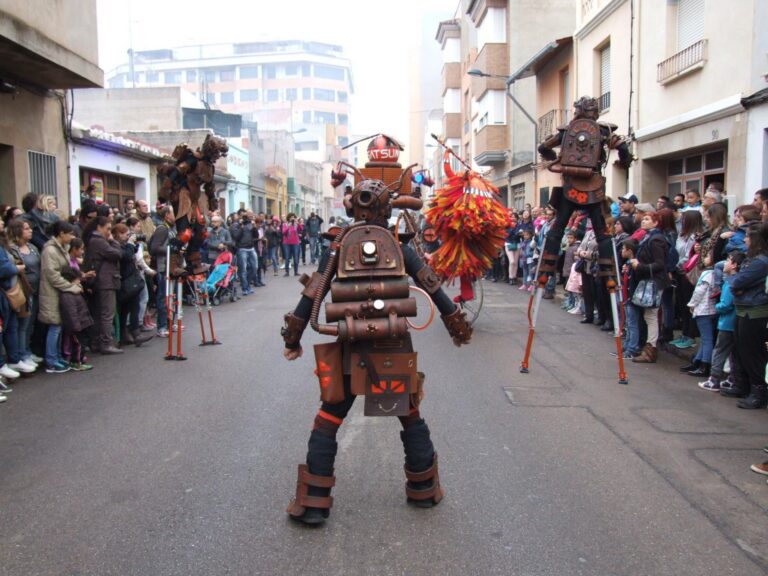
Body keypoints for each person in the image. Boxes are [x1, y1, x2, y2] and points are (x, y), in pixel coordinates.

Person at [281, 174, 472, 526]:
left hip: (349, 342)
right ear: (387, 208)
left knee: (329, 416)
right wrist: (456, 324)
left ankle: (313, 503)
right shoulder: (399, 246)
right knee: (409, 412)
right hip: (393, 344)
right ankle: (424, 489)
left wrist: (292, 340)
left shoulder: (338, 246)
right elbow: (432, 287)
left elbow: (311, 296)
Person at [720, 222, 768, 409]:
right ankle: (743, 385)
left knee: (752, 352)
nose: (745, 239)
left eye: (748, 236)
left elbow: (738, 281)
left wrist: (738, 285)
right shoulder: (753, 259)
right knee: (740, 350)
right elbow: (737, 284)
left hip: (755, 312)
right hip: (745, 309)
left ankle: (758, 392)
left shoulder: (760, 262)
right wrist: (737, 286)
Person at [39, 220, 82, 373]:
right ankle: (51, 360)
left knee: (59, 325)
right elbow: (52, 275)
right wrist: (71, 286)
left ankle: (57, 356)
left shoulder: (62, 248)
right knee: (54, 326)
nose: (71, 237)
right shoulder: (50, 250)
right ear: (61, 234)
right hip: (52, 293)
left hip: (60, 292)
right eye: (69, 234)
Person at [699, 252, 745, 391]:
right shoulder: (739, 281)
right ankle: (732, 379)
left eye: (728, 260)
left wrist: (716, 306)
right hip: (736, 322)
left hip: (727, 323)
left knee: (720, 351)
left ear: (735, 265)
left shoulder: (730, 282)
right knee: (733, 354)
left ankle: (714, 380)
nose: (725, 263)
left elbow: (725, 304)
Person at [629, 213, 671, 363]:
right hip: (649, 280)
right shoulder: (649, 237)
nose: (643, 221)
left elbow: (660, 263)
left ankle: (650, 349)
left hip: (654, 281)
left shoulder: (656, 239)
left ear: (656, 223)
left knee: (652, 315)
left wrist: (640, 266)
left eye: (647, 219)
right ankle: (649, 346)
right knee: (649, 315)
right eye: (643, 218)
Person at [85, 216, 123, 355]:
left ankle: (96, 342)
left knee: (99, 313)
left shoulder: (93, 241)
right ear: (99, 227)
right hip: (106, 281)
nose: (109, 232)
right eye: (107, 229)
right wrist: (113, 242)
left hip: (101, 280)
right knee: (107, 313)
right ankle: (106, 343)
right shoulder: (99, 241)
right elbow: (116, 254)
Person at [113, 223, 153, 348]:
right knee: (125, 309)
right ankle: (127, 334)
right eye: (125, 233)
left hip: (130, 279)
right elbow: (124, 257)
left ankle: (134, 334)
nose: (127, 236)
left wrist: (134, 245)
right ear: (118, 234)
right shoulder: (115, 245)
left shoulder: (126, 245)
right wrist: (130, 244)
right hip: (124, 280)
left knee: (133, 306)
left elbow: (132, 253)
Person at [670, 210, 704, 349]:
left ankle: (690, 335)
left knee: (689, 304)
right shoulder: (682, 235)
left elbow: (689, 256)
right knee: (682, 304)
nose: (681, 222)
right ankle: (684, 333)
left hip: (688, 273)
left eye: (684, 219)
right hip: (679, 272)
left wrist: (679, 264)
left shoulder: (696, 237)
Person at [59, 238, 94, 371]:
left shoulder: (75, 292)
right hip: (76, 325)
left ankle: (79, 358)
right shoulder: (69, 295)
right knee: (77, 343)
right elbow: (71, 311)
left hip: (82, 321)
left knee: (81, 343)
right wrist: (76, 325)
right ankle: (76, 361)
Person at [680, 256, 717, 377]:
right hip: (710, 309)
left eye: (707, 257)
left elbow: (699, 291)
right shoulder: (716, 274)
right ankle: (697, 361)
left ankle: (705, 364)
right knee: (706, 339)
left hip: (703, 309)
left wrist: (692, 304)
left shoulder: (708, 274)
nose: (705, 258)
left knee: (706, 339)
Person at [148, 206, 177, 338]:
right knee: (163, 297)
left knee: (172, 296)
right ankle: (162, 326)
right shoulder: (162, 229)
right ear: (166, 215)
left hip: (172, 267)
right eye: (173, 213)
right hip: (164, 268)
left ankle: (171, 323)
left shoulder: (171, 228)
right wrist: (172, 250)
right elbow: (154, 248)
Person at [231, 211, 258, 295]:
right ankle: (245, 288)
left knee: (254, 268)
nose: (247, 217)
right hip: (242, 249)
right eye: (244, 216)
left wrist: (254, 227)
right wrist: (241, 227)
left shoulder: (250, 224)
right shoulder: (235, 225)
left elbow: (256, 236)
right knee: (243, 270)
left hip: (251, 248)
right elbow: (236, 237)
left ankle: (248, 285)